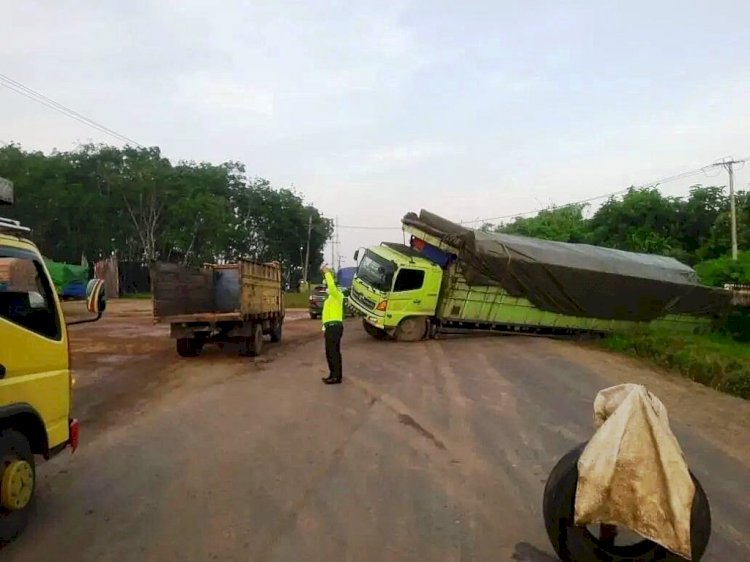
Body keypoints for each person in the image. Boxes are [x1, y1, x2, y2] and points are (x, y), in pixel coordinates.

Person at [320, 263, 344, 385]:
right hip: (330, 327)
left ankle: (336, 377)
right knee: (330, 352)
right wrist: (324, 327)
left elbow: (332, 286)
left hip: (335, 327)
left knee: (333, 352)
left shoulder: (337, 295)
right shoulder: (329, 299)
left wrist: (327, 272)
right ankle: (333, 374)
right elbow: (325, 315)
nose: (327, 287)